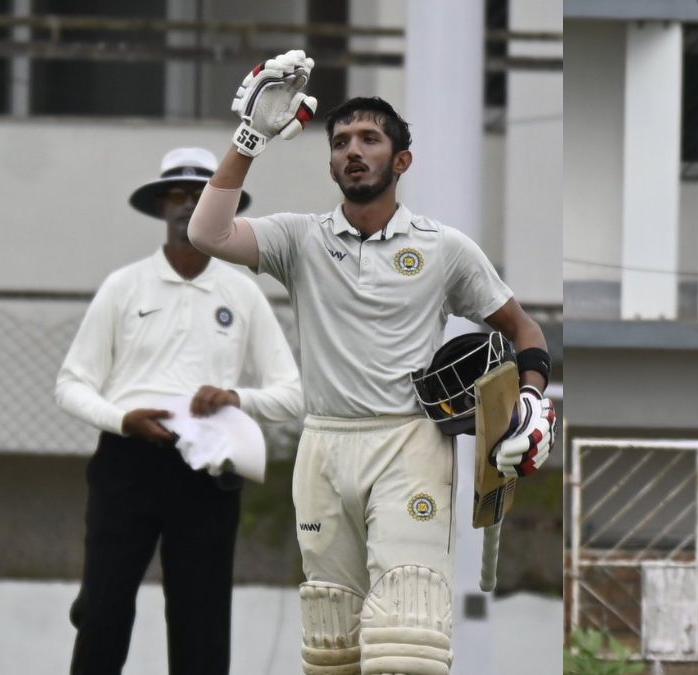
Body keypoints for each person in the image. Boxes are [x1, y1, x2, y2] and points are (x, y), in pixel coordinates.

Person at [188, 50, 556, 674]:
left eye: (370, 138)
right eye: (340, 142)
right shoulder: (299, 238)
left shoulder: (443, 249)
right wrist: (248, 139)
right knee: (333, 645)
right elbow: (207, 234)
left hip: (408, 446)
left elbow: (521, 327)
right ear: (330, 162)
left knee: (405, 643)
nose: (352, 150)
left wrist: (531, 400)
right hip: (324, 445)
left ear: (401, 160)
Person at [56, 146, 304, 675]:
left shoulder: (242, 293)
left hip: (208, 467)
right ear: (160, 207)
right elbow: (72, 385)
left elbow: (291, 393)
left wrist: (237, 398)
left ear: (222, 206)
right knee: (101, 611)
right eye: (177, 194)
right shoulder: (124, 287)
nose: (188, 204)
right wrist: (122, 419)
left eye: (200, 194)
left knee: (201, 617)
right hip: (128, 462)